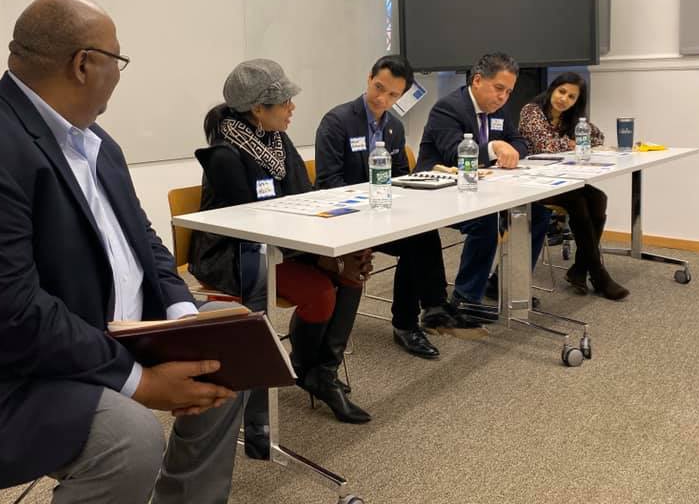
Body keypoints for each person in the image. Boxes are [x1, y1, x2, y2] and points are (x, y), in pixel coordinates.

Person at [0, 0, 245, 504]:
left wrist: (180, 314)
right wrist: (140, 381)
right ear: (84, 64)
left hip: (99, 333)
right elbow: (7, 316)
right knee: (129, 438)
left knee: (231, 352)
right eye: (118, 59)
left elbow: (143, 242)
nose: (119, 72)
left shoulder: (97, 143)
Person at [190, 59, 375, 438]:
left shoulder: (276, 140)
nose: (293, 108)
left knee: (353, 271)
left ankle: (321, 373)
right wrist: (318, 253)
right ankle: (308, 371)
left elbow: (301, 198)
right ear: (259, 109)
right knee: (321, 292)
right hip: (238, 254)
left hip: (284, 244)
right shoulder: (224, 155)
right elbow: (250, 227)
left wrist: (333, 246)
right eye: (285, 102)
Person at [314, 55, 486, 359]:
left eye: (393, 95)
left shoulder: (393, 126)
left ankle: (423, 314)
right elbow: (329, 183)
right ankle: (421, 315)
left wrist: (424, 181)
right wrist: (372, 199)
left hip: (380, 214)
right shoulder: (337, 121)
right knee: (418, 240)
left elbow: (398, 177)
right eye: (379, 88)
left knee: (420, 233)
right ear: (369, 78)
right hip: (346, 218)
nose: (382, 99)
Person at [416, 52, 551, 309]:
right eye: (499, 88)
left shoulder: (499, 109)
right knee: (485, 220)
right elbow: (454, 154)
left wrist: (510, 150)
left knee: (538, 213)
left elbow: (521, 143)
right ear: (477, 80)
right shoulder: (448, 108)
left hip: (485, 188)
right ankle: (466, 299)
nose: (503, 97)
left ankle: (503, 283)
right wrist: (494, 147)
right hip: (440, 190)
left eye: (509, 92)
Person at [519, 72, 629, 300]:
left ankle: (580, 269)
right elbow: (544, 145)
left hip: (562, 177)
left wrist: (569, 142)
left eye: (571, 97)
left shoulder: (573, 118)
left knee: (599, 198)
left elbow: (598, 137)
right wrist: (568, 143)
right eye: (561, 92)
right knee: (578, 201)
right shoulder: (532, 111)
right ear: (552, 89)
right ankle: (597, 273)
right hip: (532, 181)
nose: (564, 99)